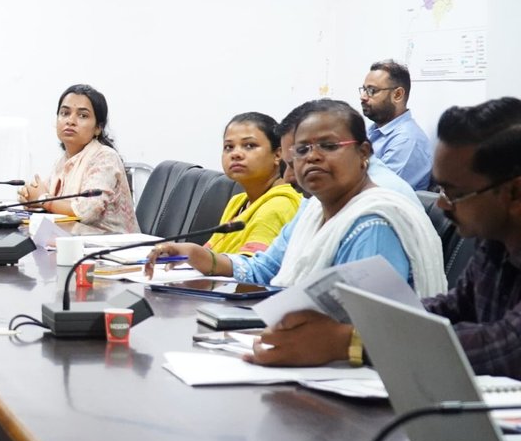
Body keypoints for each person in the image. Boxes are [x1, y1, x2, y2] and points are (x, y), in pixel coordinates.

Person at [250, 98, 521, 376]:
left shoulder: (374, 221)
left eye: (454, 194)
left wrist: (351, 341)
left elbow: (508, 348)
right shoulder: (495, 244)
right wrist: (352, 329)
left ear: (513, 192)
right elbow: (451, 308)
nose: (442, 204)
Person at [146, 100, 445, 293]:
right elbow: (265, 268)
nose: (311, 157)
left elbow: (369, 324)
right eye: (301, 150)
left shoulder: (373, 223)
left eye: (328, 146)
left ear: (363, 152)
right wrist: (201, 257)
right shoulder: (313, 209)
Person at [16, 83, 138, 233]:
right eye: (65, 113)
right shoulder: (63, 162)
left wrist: (42, 199)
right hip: (75, 241)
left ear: (98, 128)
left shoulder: (105, 157)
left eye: (82, 115)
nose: (70, 121)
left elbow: (86, 211)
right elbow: (50, 199)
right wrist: (30, 199)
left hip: (113, 245)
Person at [204, 112, 301, 253]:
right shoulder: (237, 202)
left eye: (249, 145)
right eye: (229, 147)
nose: (236, 154)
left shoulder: (280, 204)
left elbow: (251, 263)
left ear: (278, 155)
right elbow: (209, 252)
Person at [359, 59, 433, 190]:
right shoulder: (374, 130)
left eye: (372, 90)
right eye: (364, 89)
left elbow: (377, 191)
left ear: (398, 95)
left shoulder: (407, 140)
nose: (363, 97)